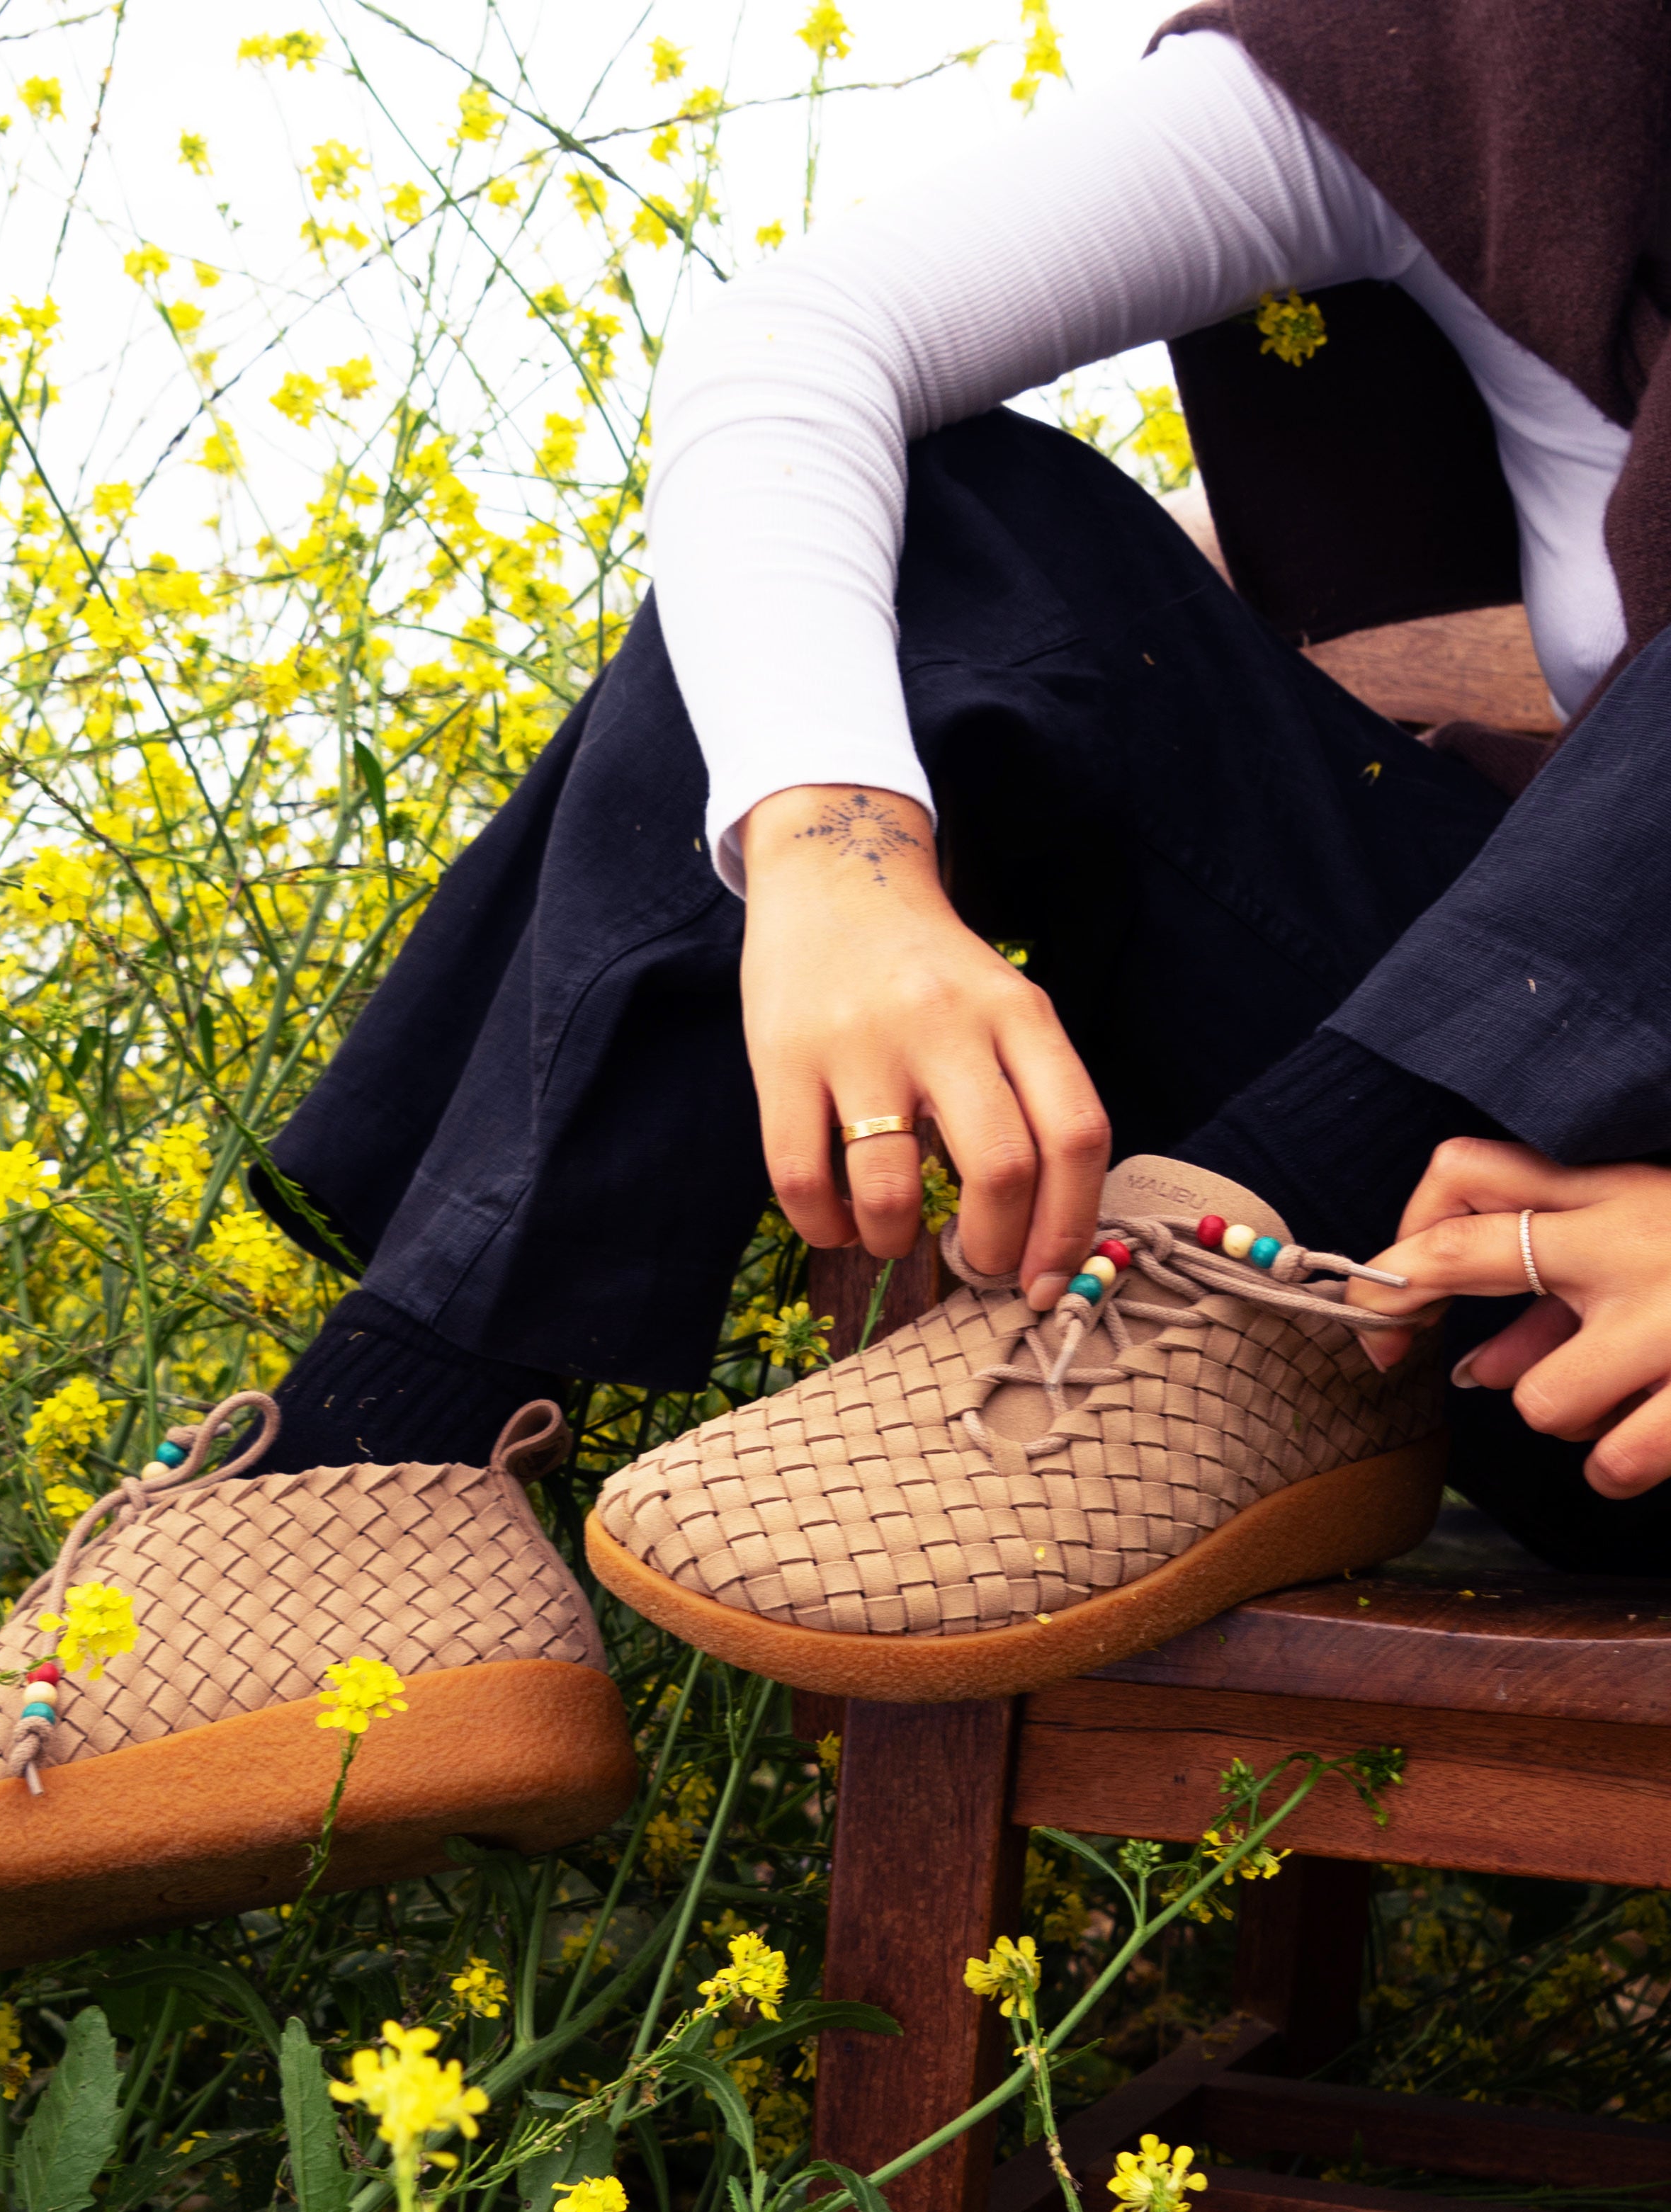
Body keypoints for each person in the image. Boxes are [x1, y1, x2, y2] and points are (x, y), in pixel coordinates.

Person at [253, 0, 1671, 1635]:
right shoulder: (1526, 54)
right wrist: (831, 867)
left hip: (1605, 1363)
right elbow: (801, 344)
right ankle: (376, 1481)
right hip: (1481, 1232)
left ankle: (1230, 1265)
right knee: (962, 539)